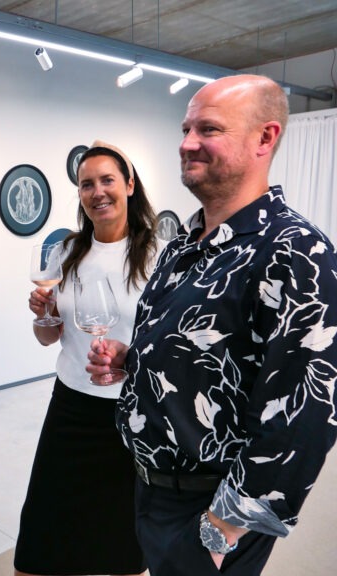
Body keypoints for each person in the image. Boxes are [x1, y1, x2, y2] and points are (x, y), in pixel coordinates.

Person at [88, 74, 337, 576]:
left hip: (209, 510)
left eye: (209, 129)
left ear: (265, 138)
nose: (186, 144)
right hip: (151, 489)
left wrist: (221, 529)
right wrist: (134, 360)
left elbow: (304, 415)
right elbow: (207, 352)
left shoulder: (296, 252)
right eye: (186, 129)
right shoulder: (184, 244)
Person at [14, 141, 163, 576]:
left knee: (123, 541)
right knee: (40, 534)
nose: (97, 192)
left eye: (107, 180)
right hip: (71, 408)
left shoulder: (159, 255)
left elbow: (171, 344)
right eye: (86, 184)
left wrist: (130, 360)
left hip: (133, 411)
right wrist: (43, 315)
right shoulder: (67, 252)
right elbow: (48, 338)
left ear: (129, 185)